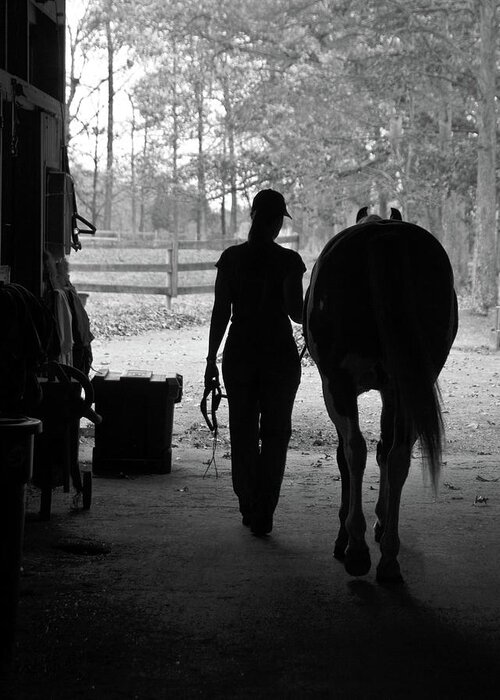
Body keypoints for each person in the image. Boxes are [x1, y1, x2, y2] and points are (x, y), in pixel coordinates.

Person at [204, 189, 306, 536]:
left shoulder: (231, 259)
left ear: (252, 217)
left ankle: (248, 501)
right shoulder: (289, 262)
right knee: (276, 434)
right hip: (279, 355)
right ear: (277, 223)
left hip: (241, 354)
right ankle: (265, 510)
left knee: (243, 431)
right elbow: (296, 312)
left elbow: (221, 313)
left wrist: (210, 360)